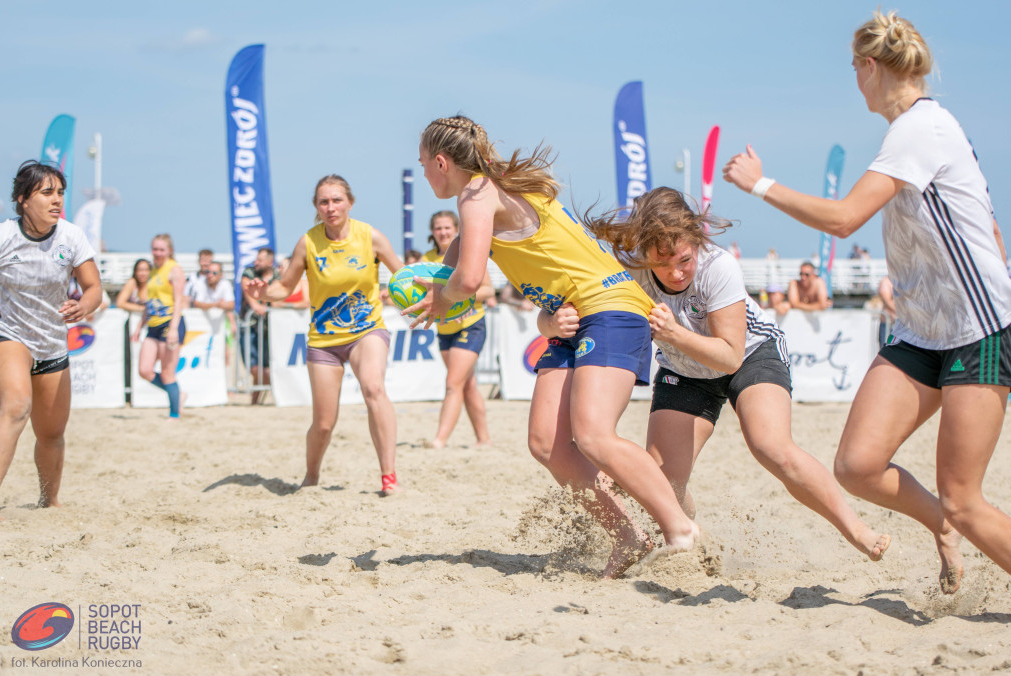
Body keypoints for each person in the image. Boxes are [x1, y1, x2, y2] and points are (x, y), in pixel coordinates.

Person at [723, 9, 1011, 593]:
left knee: (964, 498)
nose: (853, 80)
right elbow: (988, 225)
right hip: (919, 330)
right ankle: (947, 526)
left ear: (869, 66)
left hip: (977, 331)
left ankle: (956, 520)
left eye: (853, 68)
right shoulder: (912, 131)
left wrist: (759, 183)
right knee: (857, 466)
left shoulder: (920, 128)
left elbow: (845, 218)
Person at [411, 115, 698, 577]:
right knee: (548, 445)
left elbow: (467, 278)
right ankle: (627, 537)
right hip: (575, 319)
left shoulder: (477, 193)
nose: (423, 172)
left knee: (593, 435)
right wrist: (433, 290)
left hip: (611, 307)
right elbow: (461, 255)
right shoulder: (493, 192)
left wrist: (443, 298)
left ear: (441, 162)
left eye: (423, 163)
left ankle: (680, 529)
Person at [585, 187, 891, 561]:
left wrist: (673, 334)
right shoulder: (629, 270)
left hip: (748, 355)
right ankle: (688, 542)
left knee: (771, 447)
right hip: (684, 369)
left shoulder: (718, 266)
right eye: (663, 264)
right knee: (665, 482)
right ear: (643, 252)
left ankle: (856, 529)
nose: (676, 272)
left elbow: (729, 356)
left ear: (696, 238)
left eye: (684, 259)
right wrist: (551, 320)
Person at [246, 175, 404, 495]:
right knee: (323, 423)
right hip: (324, 340)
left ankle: (389, 477)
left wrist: (428, 293)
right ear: (317, 207)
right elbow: (285, 287)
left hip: (367, 329)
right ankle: (311, 477)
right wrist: (264, 292)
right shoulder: (308, 242)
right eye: (324, 202)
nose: (330, 207)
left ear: (350, 202)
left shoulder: (370, 236)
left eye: (336, 200)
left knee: (373, 388)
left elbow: (403, 274)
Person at [0, 161, 102, 516]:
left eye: (60, 193)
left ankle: (49, 502)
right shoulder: (2, 237)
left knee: (52, 433)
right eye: (47, 193)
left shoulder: (70, 236)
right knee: (16, 407)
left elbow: (94, 288)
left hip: (53, 342)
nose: (56, 200)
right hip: (9, 334)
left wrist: (83, 306)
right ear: (23, 199)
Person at [421, 209, 495, 448]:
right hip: (444, 330)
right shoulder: (427, 257)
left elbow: (488, 291)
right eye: (438, 228)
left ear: (456, 230)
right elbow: (421, 293)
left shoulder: (469, 253)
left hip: (472, 325)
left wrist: (456, 298)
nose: (443, 232)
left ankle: (439, 440)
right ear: (433, 232)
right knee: (467, 383)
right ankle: (484, 439)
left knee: (453, 382)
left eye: (447, 228)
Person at [130, 234, 186, 420]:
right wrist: (139, 326)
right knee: (144, 370)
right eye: (155, 249)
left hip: (170, 323)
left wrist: (173, 329)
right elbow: (149, 302)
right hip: (152, 325)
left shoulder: (174, 270)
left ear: (169, 250)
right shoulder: (153, 271)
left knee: (168, 373)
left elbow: (179, 302)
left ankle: (174, 413)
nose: (158, 253)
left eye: (161, 249)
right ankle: (178, 395)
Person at [240, 248, 275, 405]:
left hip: (269, 328)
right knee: (253, 366)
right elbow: (246, 288)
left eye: (260, 260)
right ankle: (256, 399)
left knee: (266, 366)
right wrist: (256, 306)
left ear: (270, 261)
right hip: (249, 325)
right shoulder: (249, 271)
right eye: (256, 259)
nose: (256, 262)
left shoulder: (277, 276)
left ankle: (256, 401)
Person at [190, 261, 236, 337]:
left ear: (221, 275)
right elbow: (197, 304)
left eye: (214, 273)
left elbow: (231, 305)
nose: (210, 275)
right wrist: (217, 304)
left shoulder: (225, 284)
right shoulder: (200, 283)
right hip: (200, 325)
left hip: (219, 325)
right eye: (207, 272)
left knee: (229, 340)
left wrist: (209, 305)